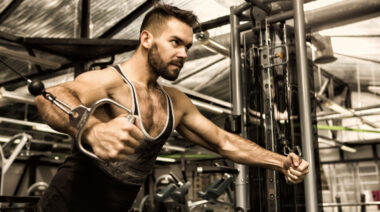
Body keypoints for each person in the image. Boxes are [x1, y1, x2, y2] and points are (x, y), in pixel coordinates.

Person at [34, 3, 309, 212]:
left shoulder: (175, 102)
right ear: (146, 39)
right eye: (175, 42)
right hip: (64, 204)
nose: (184, 54)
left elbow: (224, 142)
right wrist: (91, 130)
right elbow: (50, 96)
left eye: (187, 46)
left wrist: (281, 162)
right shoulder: (110, 81)